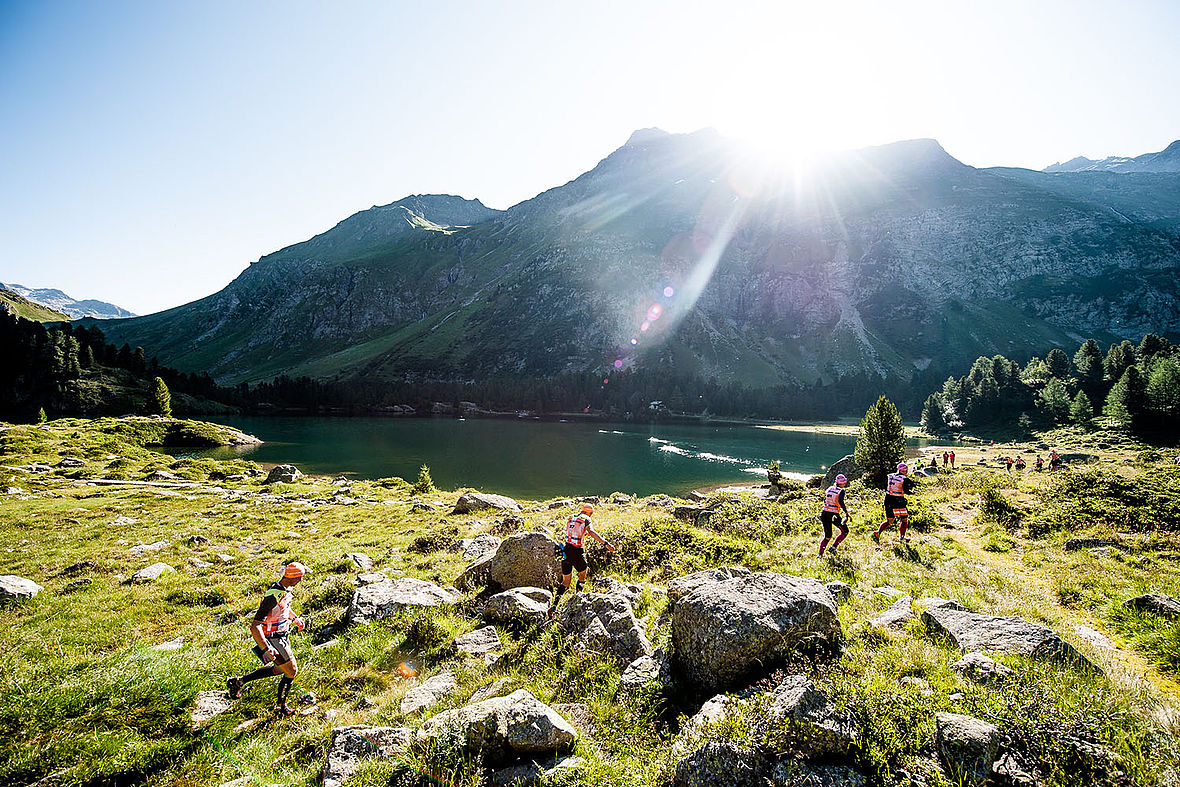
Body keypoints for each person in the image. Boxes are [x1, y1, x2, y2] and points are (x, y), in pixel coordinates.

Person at [227, 561, 309, 716]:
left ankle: (238, 682)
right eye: (300, 577)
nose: (301, 581)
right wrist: (266, 648)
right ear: (293, 578)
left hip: (283, 635)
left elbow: (285, 608)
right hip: (273, 638)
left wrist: (295, 619)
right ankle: (281, 707)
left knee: (280, 669)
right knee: (291, 671)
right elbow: (255, 626)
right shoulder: (272, 596)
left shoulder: (285, 589)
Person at [552, 504, 615, 610]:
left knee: (565, 582)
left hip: (565, 550)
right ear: (589, 512)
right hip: (577, 551)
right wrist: (606, 544)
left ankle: (554, 605)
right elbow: (591, 532)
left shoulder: (571, 518)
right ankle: (578, 597)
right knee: (583, 573)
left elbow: (572, 532)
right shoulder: (586, 519)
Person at [873, 462, 916, 545]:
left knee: (889, 520)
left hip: (888, 499)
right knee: (904, 519)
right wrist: (912, 492)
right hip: (898, 501)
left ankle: (878, 532)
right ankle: (902, 537)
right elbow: (906, 490)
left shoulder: (890, 476)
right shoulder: (904, 479)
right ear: (904, 471)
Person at [818, 474, 851, 557]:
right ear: (843, 483)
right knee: (845, 531)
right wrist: (846, 513)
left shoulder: (829, 488)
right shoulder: (841, 491)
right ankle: (833, 547)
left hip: (824, 513)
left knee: (827, 536)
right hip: (833, 515)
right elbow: (841, 501)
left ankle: (820, 554)